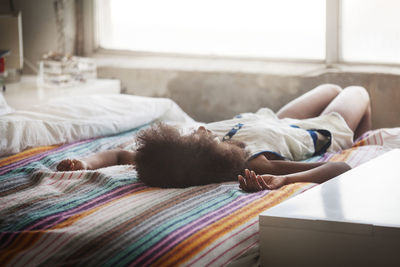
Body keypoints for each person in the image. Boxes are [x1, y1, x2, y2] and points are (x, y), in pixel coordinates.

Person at [56, 84, 371, 192]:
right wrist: (285, 182)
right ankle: (360, 140)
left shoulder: (179, 156)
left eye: (193, 133)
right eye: (204, 137)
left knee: (329, 89)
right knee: (357, 93)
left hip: (269, 119)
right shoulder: (256, 163)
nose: (203, 129)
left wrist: (84, 162)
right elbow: (341, 171)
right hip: (313, 131)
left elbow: (116, 155)